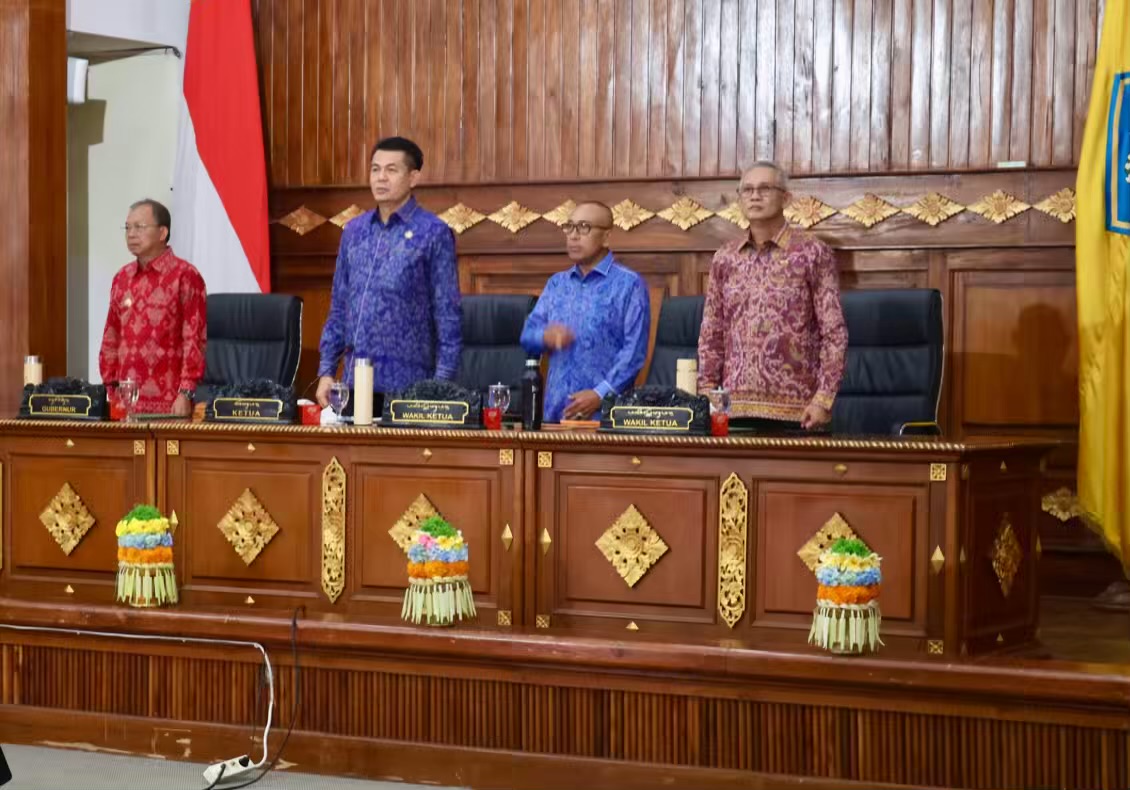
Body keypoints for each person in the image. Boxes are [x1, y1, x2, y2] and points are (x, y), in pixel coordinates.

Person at [697, 161, 847, 430]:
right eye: (747, 190)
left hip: (799, 414)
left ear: (786, 198)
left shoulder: (813, 253)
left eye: (765, 188)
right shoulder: (725, 257)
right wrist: (706, 392)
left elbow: (834, 333)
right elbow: (711, 333)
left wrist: (823, 401)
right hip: (732, 411)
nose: (755, 196)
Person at [316, 136, 462, 412]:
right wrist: (326, 371)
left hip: (410, 387)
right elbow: (339, 307)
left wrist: (441, 386)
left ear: (413, 177)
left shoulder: (433, 233)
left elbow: (448, 316)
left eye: (391, 170)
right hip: (354, 383)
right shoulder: (354, 232)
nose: (381, 178)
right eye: (375, 169)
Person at [520, 201, 650, 423]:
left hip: (605, 419)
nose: (573, 235)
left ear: (607, 237)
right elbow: (527, 336)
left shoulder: (629, 285)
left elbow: (634, 353)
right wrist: (545, 336)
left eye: (583, 227)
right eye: (569, 227)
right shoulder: (557, 284)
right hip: (555, 417)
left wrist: (600, 394)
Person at [98, 199, 206, 417]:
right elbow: (111, 336)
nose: (131, 234)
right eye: (127, 228)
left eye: (139, 227)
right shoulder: (122, 278)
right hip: (124, 405)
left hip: (170, 405)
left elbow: (194, 339)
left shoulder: (185, 276)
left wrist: (186, 392)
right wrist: (110, 389)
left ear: (162, 232)